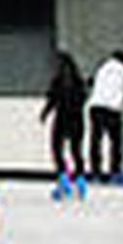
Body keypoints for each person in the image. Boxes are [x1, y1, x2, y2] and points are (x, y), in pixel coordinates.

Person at [39, 51, 88, 201]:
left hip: (61, 118)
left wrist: (44, 114)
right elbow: (84, 98)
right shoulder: (79, 81)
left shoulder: (57, 81)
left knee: (57, 149)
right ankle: (80, 182)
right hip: (77, 119)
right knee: (76, 151)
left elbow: (52, 99)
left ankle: (63, 181)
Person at [86, 49, 123, 183]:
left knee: (95, 141)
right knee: (116, 142)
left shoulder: (101, 68)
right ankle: (115, 172)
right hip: (112, 108)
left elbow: (92, 84)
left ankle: (95, 172)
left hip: (95, 106)